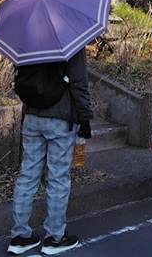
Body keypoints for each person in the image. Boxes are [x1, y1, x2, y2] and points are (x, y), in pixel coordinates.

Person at [7, 47, 94, 255]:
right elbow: (78, 83)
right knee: (58, 178)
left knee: (27, 175)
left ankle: (20, 236)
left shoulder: (27, 41)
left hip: (32, 116)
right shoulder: (72, 43)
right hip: (60, 118)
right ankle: (55, 236)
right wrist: (85, 118)